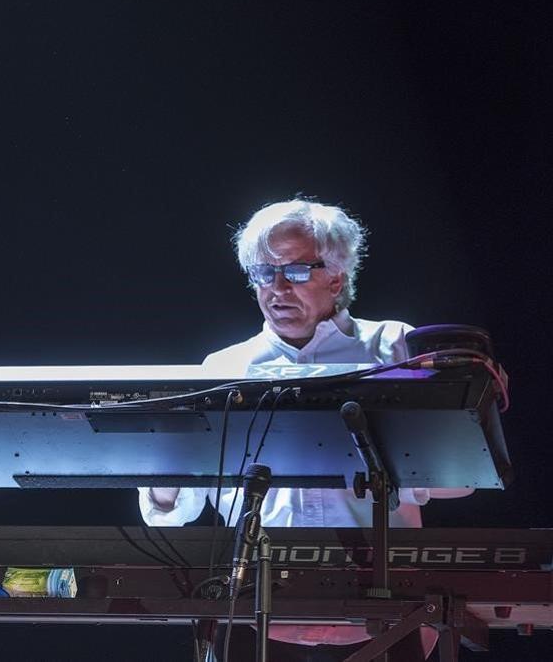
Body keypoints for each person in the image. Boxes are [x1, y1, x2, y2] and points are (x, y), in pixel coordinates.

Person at [138, 199, 472, 661]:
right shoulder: (225, 367)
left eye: (295, 272)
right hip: (259, 611)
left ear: (336, 277)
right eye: (263, 273)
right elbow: (176, 510)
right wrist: (154, 459)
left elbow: (460, 482)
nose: (276, 288)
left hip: (384, 609)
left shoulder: (393, 347)